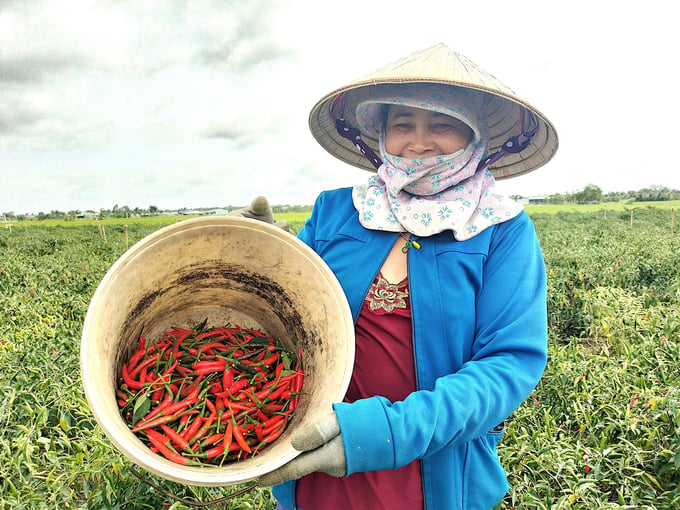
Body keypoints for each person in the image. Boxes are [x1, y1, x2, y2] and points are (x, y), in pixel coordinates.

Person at [257, 43, 559, 510]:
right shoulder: (337, 211)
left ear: (475, 135)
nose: (419, 141)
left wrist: (381, 432)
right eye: (403, 125)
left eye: (442, 124)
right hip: (319, 457)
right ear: (381, 132)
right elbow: (284, 312)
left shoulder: (501, 228)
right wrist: (252, 257)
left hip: (433, 470)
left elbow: (508, 364)